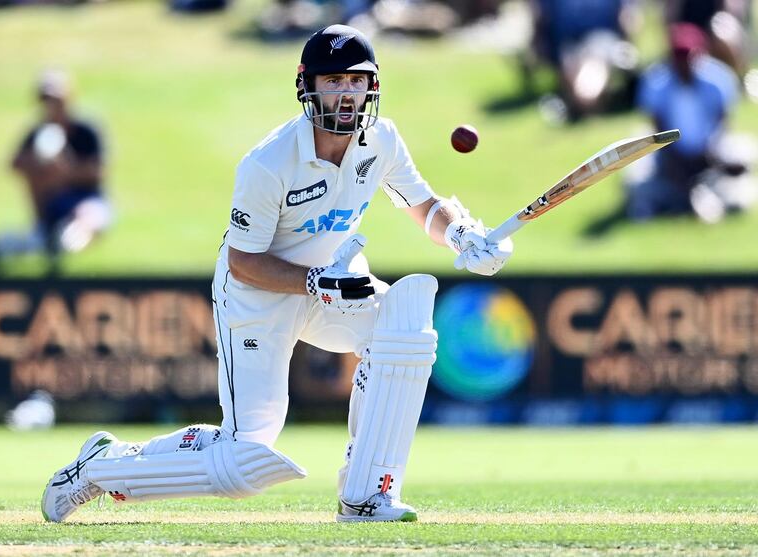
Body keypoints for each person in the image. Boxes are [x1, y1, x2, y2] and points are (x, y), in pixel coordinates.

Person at [40, 25, 512, 523]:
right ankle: (104, 466)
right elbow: (244, 262)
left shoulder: (382, 140)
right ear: (307, 85)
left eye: (356, 81)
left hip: (330, 281)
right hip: (256, 296)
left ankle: (367, 495)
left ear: (371, 87)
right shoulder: (268, 164)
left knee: (404, 330)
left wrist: (461, 234)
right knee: (243, 459)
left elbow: (424, 206)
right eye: (334, 81)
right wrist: (314, 282)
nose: (346, 93)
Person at [626, 23, 741, 220]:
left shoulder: (718, 79)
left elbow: (722, 123)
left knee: (740, 158)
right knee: (637, 173)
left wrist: (711, 154)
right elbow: (657, 130)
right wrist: (677, 162)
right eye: (680, 60)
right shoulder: (657, 83)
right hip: (670, 158)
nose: (685, 66)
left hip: (710, 155)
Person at [0, 70, 112, 255]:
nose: (51, 106)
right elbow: (13, 164)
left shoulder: (86, 130)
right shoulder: (39, 132)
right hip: (53, 201)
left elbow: (99, 171)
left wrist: (67, 171)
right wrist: (36, 165)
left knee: (87, 218)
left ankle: (67, 244)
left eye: (56, 100)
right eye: (46, 100)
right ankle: (44, 232)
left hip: (86, 198)